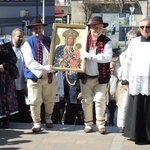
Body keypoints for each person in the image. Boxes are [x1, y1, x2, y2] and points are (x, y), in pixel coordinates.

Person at [21, 18, 58, 132]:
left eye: (39, 27)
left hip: (49, 77)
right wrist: (46, 68)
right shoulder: (27, 44)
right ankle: (36, 122)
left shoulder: (49, 41)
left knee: (50, 99)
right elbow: (30, 63)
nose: (37, 30)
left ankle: (48, 118)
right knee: (35, 100)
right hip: (34, 77)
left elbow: (57, 55)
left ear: (43, 28)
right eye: (35, 28)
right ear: (31, 30)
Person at [79, 16, 113, 134]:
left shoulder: (106, 41)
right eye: (94, 28)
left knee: (99, 99)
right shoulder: (83, 40)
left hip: (100, 77)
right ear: (89, 29)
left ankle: (100, 124)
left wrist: (90, 56)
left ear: (102, 28)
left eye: (99, 27)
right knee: (87, 101)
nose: (96, 30)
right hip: (85, 77)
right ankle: (88, 124)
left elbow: (107, 57)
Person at [122, 17, 150, 143]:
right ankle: (135, 134)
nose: (145, 29)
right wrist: (125, 80)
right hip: (136, 81)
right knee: (136, 108)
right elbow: (128, 62)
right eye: (142, 27)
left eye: (148, 27)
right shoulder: (134, 42)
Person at [115, 29, 139, 133]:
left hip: (137, 83)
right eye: (128, 40)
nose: (130, 42)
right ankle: (123, 126)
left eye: (132, 40)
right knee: (123, 105)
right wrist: (120, 72)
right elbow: (117, 66)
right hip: (123, 84)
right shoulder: (123, 54)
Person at [9, 28, 31, 123]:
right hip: (10, 83)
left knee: (21, 104)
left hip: (21, 83)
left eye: (21, 36)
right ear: (13, 37)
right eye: (19, 36)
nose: (21, 38)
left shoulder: (24, 49)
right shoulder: (8, 49)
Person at [0, 38, 18, 128]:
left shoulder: (5, 42)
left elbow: (14, 58)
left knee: (6, 97)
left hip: (5, 76)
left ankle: (6, 120)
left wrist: (4, 65)